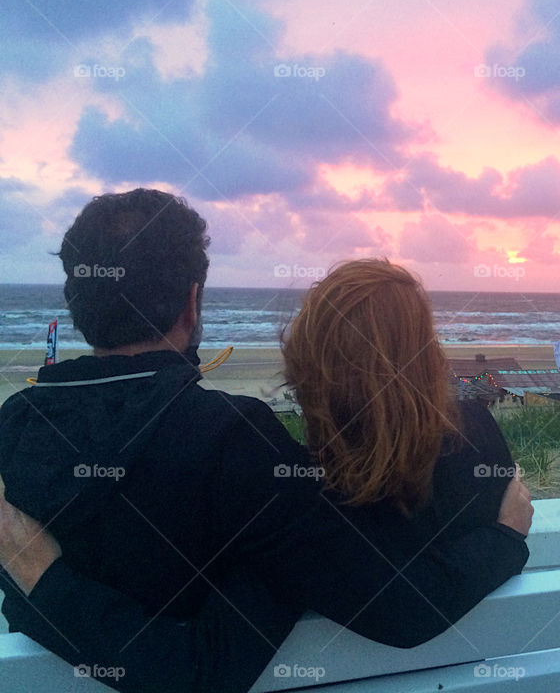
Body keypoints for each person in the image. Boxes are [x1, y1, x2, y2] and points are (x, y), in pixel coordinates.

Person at [0, 190, 532, 692]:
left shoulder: (16, 425)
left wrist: (40, 579)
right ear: (192, 301)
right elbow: (404, 609)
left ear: (78, 300)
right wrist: (504, 537)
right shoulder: (232, 439)